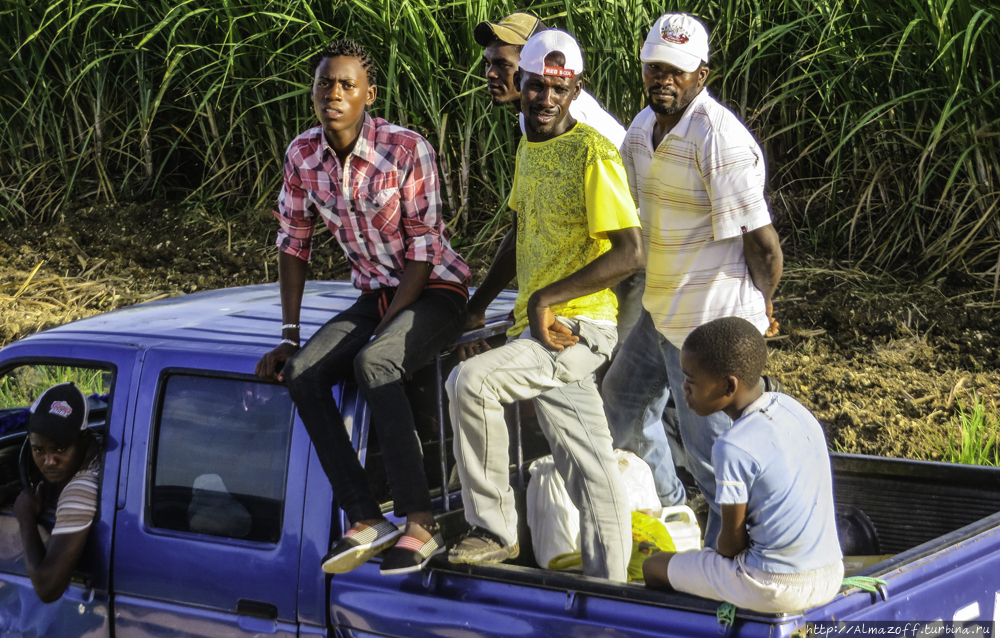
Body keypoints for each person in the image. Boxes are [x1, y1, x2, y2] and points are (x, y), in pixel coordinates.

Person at [255, 39, 471, 576]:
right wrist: (289, 333)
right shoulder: (303, 155)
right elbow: (293, 242)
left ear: (368, 94)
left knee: (375, 363)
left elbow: (423, 250)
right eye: (325, 83)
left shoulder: (405, 148)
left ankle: (420, 522)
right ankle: (368, 517)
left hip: (436, 291)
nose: (334, 93)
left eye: (347, 85)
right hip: (374, 293)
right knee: (304, 372)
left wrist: (388, 330)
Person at [446, 30, 643, 582]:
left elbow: (631, 251)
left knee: (470, 383)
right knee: (592, 471)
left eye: (560, 89)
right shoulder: (530, 145)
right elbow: (520, 231)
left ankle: (493, 529)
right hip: (541, 325)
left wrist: (545, 300)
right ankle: (610, 592)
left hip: (578, 327)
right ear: (523, 83)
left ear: (574, 88)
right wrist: (480, 302)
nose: (546, 99)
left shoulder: (594, 154)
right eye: (537, 86)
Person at [602, 13, 783, 549]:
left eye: (677, 71)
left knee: (714, 457)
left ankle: (734, 558)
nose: (665, 79)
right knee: (622, 405)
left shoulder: (717, 138)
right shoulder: (639, 132)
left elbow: (763, 244)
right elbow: (629, 220)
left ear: (702, 74)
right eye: (655, 67)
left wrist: (762, 310)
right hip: (662, 309)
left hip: (712, 323)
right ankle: (673, 516)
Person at [642, 317, 843, 613]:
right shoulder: (793, 409)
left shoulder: (731, 446)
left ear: (728, 386)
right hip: (831, 574)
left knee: (653, 566)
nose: (682, 388)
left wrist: (714, 555)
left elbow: (731, 546)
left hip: (772, 586)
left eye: (691, 380)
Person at [476, 11, 627, 149]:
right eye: (488, 63)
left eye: (502, 64)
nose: (491, 74)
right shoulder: (532, 114)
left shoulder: (561, 115)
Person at [14, 383, 101, 603]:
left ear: (83, 439)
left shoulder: (81, 489)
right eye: (38, 450)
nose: (49, 461)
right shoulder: (97, 445)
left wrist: (25, 516)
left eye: (60, 449)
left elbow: (48, 588)